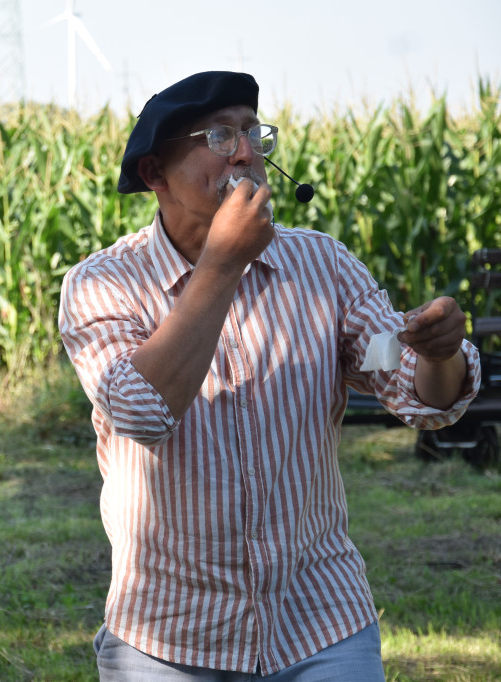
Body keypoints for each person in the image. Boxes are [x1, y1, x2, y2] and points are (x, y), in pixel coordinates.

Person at [58, 71, 481, 681]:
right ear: (155, 175)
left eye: (254, 133)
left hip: (321, 622)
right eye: (221, 135)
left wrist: (439, 355)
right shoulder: (102, 283)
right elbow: (142, 412)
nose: (249, 153)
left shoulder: (323, 265)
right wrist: (224, 261)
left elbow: (416, 395)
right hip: (166, 635)